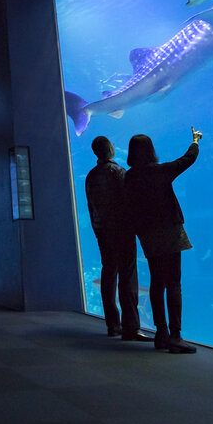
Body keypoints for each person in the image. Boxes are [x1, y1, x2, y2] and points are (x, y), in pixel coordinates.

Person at [124, 127, 201, 353]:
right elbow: (187, 160)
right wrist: (195, 141)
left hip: (148, 234)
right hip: (170, 231)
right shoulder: (160, 171)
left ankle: (161, 333)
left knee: (157, 282)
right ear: (151, 151)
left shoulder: (129, 177)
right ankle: (176, 336)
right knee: (173, 283)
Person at [85, 136, 146, 341]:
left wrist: (97, 230)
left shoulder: (91, 176)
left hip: (102, 231)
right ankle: (131, 327)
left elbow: (91, 207)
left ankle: (113, 325)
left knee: (109, 273)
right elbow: (131, 200)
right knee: (127, 275)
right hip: (122, 231)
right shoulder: (118, 171)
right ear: (110, 149)